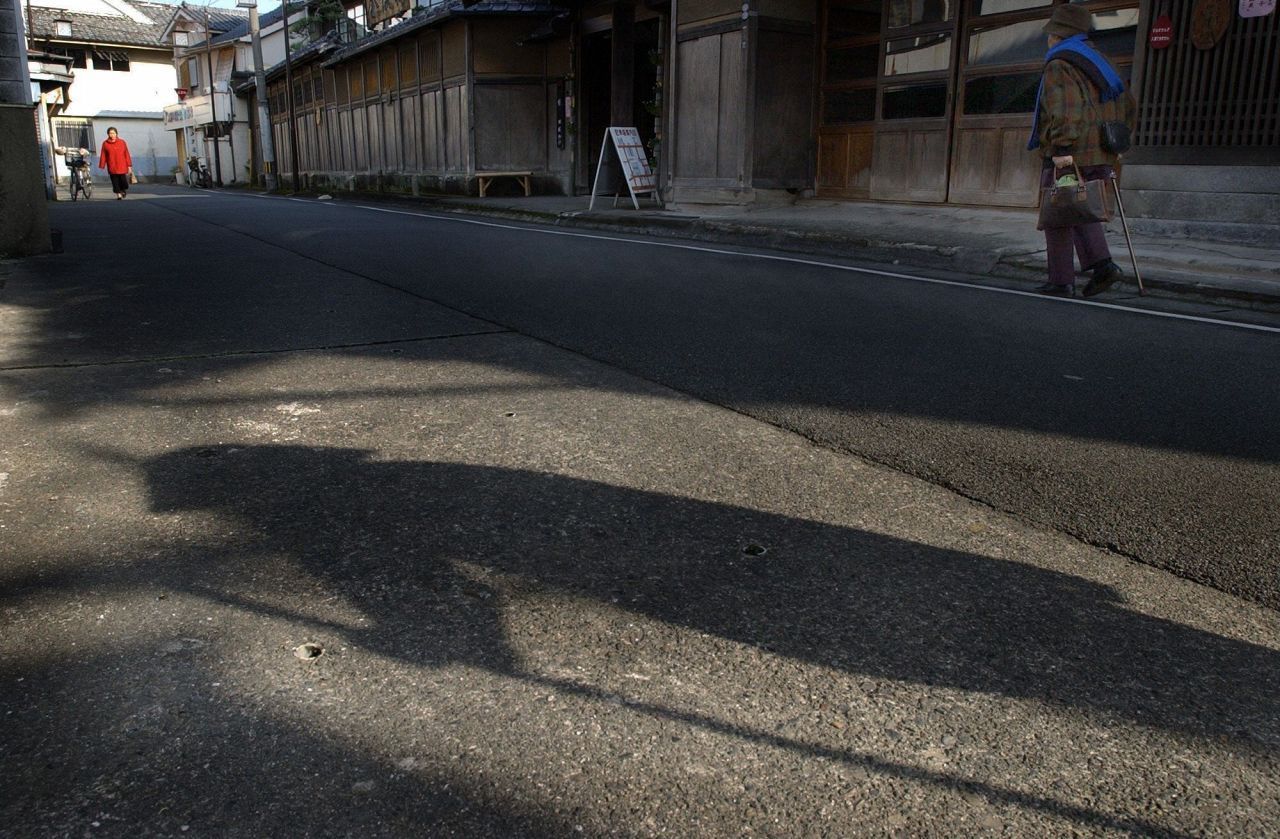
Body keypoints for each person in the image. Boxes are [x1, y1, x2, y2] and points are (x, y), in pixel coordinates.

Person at [1028, 4, 1136, 297]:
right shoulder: (1101, 60)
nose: (1048, 39)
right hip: (1102, 151)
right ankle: (1101, 267)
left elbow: (1065, 110)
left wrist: (1061, 148)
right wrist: (1118, 144)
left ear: (1057, 35)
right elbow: (1128, 106)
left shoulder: (1060, 63)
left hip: (1072, 152)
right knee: (1079, 208)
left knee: (1058, 212)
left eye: (1050, 33)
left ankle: (1063, 280)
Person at [98, 126, 134, 200]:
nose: (112, 135)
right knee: (115, 181)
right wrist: (102, 165)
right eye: (110, 133)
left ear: (116, 133)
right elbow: (103, 154)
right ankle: (118, 195)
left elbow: (126, 154)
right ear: (108, 134)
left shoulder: (122, 142)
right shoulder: (105, 143)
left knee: (123, 181)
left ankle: (123, 189)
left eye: (113, 133)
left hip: (122, 165)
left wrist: (129, 165)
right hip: (112, 165)